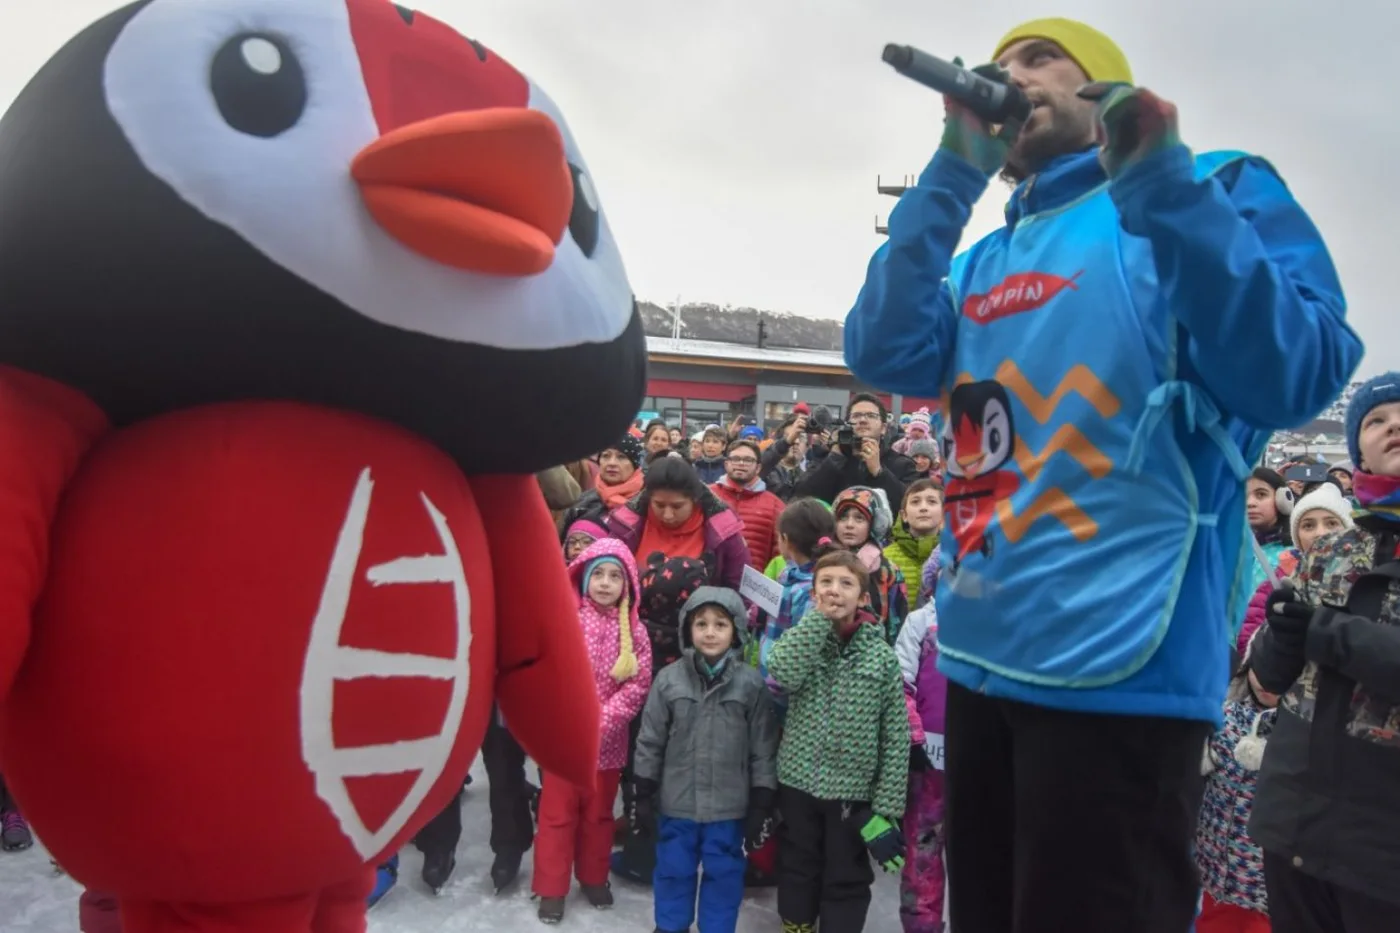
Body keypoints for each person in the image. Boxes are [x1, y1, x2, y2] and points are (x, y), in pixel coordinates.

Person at [843, 15, 1362, 933]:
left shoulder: (1211, 186)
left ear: (1107, 96)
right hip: (980, 660)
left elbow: (1301, 370)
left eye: (1042, 59)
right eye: (999, 66)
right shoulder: (983, 257)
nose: (1012, 77)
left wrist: (1162, 183)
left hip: (1121, 673)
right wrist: (954, 172)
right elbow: (881, 348)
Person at [1249, 373, 1400, 932]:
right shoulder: (1331, 548)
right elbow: (1268, 682)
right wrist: (1280, 638)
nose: (1394, 427)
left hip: (1384, 844)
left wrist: (1324, 633)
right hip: (1295, 822)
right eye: (1377, 420)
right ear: (1358, 444)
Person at [768, 547, 911, 933]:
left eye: (846, 583)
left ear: (863, 598)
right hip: (798, 784)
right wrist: (817, 622)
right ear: (813, 595)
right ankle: (796, 925)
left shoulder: (880, 657)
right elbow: (781, 671)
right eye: (825, 583)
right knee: (798, 866)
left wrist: (886, 809)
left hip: (852, 796)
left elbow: (895, 735)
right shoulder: (803, 640)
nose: (835, 590)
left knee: (845, 875)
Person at [633, 587, 780, 933]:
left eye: (720, 624)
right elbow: (650, 739)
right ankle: (671, 926)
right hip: (677, 803)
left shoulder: (750, 685)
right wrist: (642, 792)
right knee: (673, 869)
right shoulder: (669, 681)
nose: (710, 632)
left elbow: (763, 747)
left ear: (736, 632)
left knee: (725, 875)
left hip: (728, 807)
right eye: (701, 624)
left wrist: (761, 800)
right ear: (688, 629)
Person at [533, 539, 652, 924]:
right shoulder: (564, 620)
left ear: (628, 584)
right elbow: (546, 674)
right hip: (565, 748)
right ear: (583, 577)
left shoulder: (634, 632)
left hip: (608, 746)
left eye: (615, 575)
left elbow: (637, 685)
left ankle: (594, 876)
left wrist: (601, 721)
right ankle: (551, 888)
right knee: (556, 817)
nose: (604, 583)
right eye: (597, 573)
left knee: (598, 817)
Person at [1194, 630, 1277, 933]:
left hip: (1265, 892)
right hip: (1213, 878)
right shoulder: (1226, 717)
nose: (1266, 681)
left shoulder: (1299, 737)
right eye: (1261, 667)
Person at [607, 456, 750, 592]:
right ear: (648, 498)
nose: (667, 515)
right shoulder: (626, 527)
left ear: (695, 500)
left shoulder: (723, 532)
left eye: (677, 507)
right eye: (659, 505)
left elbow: (741, 589)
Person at [795, 394, 917, 506]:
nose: (862, 420)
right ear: (847, 423)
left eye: (871, 416)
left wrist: (879, 472)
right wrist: (835, 456)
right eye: (856, 415)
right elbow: (803, 499)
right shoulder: (831, 460)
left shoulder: (903, 465)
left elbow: (909, 505)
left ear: (883, 428)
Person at [711, 438, 786, 570]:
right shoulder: (708, 495)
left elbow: (780, 554)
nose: (741, 463)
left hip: (754, 584)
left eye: (748, 460)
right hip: (711, 582)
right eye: (735, 459)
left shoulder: (775, 505)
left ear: (758, 468)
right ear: (726, 464)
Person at [558, 435, 646, 538]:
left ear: (635, 464)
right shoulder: (582, 502)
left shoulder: (645, 504)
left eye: (621, 457)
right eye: (606, 456)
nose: (612, 463)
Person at [884, 480, 943, 610]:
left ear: (944, 513)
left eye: (932, 501)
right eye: (915, 502)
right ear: (904, 515)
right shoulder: (886, 557)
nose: (923, 508)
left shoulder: (951, 556)